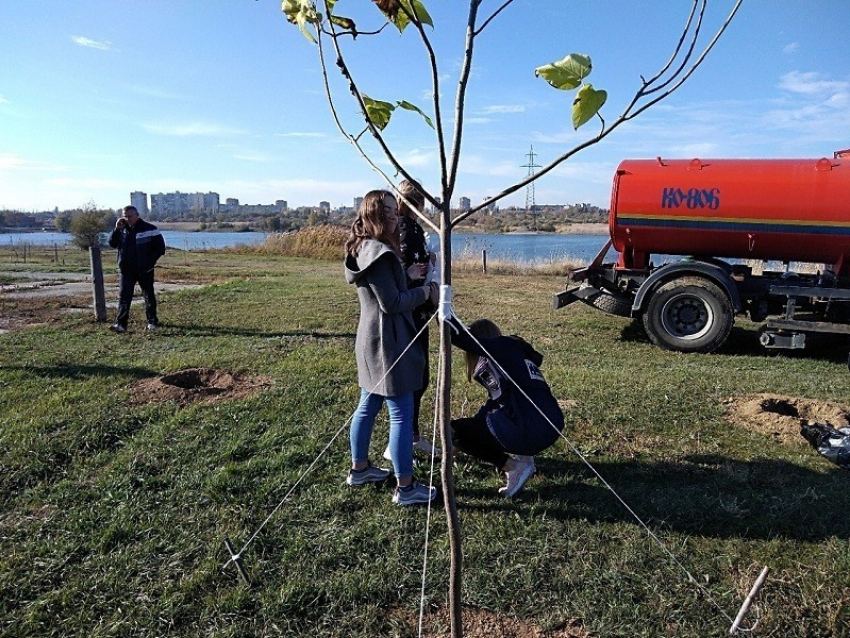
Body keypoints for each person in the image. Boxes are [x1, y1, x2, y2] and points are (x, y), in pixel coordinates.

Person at [344, 189, 439, 506]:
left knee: (367, 406)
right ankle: (407, 488)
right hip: (390, 343)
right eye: (389, 209)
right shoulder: (381, 254)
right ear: (375, 214)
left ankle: (359, 470)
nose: (396, 213)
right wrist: (426, 292)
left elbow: (386, 288)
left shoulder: (366, 248)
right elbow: (392, 303)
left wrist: (408, 274)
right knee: (401, 415)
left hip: (371, 340)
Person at [449, 317, 565, 498]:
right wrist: (471, 428)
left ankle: (514, 468)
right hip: (552, 425)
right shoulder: (517, 352)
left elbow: (458, 337)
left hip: (529, 431)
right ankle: (527, 458)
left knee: (453, 430)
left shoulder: (493, 357)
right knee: (511, 413)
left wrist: (457, 437)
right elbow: (496, 401)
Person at [381, 179, 440, 461]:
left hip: (418, 308)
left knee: (420, 376)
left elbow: (413, 262)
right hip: (412, 312)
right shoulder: (406, 228)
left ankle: (411, 435)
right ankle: (402, 441)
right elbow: (402, 269)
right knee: (414, 377)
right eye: (422, 204)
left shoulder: (408, 227)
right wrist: (421, 282)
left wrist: (428, 261)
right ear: (415, 203)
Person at [108, 205, 166, 333]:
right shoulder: (122, 229)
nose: (127, 219)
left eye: (130, 216)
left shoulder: (150, 229)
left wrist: (149, 263)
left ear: (137, 215)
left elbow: (160, 249)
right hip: (126, 270)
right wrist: (116, 229)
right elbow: (112, 243)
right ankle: (121, 324)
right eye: (125, 216)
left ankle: (152, 322)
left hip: (145, 270)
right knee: (124, 297)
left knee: (148, 295)